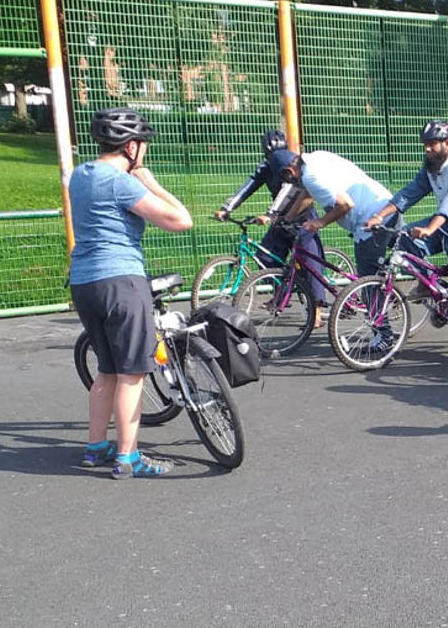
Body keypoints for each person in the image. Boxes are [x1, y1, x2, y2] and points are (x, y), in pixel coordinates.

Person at [69, 107, 193, 479]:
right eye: (144, 145)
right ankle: (128, 457)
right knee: (132, 374)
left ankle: (95, 447)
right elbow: (181, 220)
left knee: (106, 370)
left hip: (84, 282)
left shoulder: (80, 174)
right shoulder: (121, 183)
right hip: (121, 281)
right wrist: (151, 183)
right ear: (132, 147)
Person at [364, 120, 448, 364]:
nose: (427, 149)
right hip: (444, 225)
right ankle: (430, 287)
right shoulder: (431, 167)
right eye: (425, 145)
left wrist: (430, 228)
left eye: (432, 144)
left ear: (447, 143)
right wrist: (379, 216)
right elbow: (410, 193)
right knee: (404, 240)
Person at [280, 147, 398, 346]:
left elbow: (345, 205)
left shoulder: (310, 177)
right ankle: (411, 290)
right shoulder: (315, 158)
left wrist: (321, 222)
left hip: (369, 221)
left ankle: (384, 335)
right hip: (386, 206)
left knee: (367, 278)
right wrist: (288, 217)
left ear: (291, 172)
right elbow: (309, 192)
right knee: (402, 256)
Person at [214, 129, 327, 327]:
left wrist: (270, 214)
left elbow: (290, 188)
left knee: (311, 265)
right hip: (281, 220)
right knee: (265, 256)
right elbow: (248, 186)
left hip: (303, 219)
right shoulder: (267, 167)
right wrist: (227, 208)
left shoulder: (286, 162)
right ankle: (284, 289)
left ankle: (316, 310)